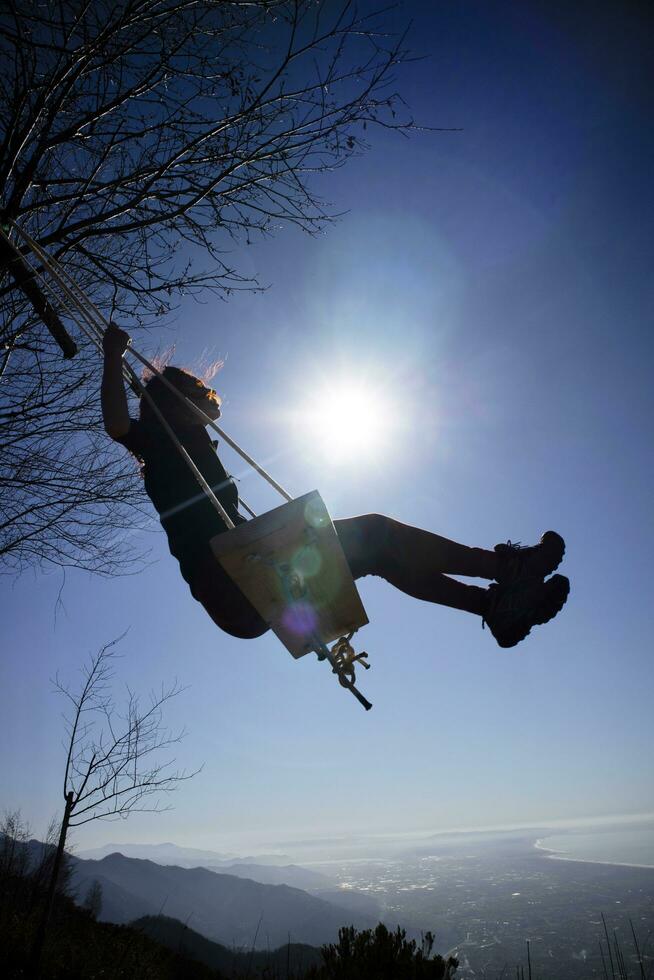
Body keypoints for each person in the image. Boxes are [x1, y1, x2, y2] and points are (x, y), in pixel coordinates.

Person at [101, 324, 569, 646]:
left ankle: (495, 607)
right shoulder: (160, 446)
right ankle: (504, 570)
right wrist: (112, 359)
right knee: (376, 531)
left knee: (381, 554)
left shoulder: (195, 444)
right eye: (194, 398)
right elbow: (118, 425)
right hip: (231, 584)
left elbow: (212, 410)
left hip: (250, 581)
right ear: (174, 404)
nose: (207, 411)